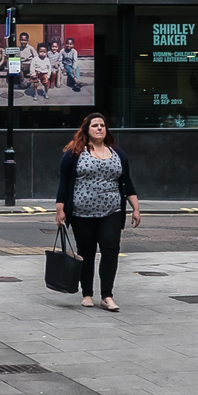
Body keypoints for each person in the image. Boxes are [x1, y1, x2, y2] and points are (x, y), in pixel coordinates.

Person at [55, 112, 139, 310]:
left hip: (112, 211)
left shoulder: (117, 153)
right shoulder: (74, 153)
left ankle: (107, 296)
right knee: (87, 253)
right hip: (82, 213)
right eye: (95, 126)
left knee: (111, 251)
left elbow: (127, 182)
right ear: (87, 130)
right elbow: (64, 183)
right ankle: (87, 294)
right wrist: (60, 210)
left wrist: (135, 207)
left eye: (102, 125)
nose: (100, 128)